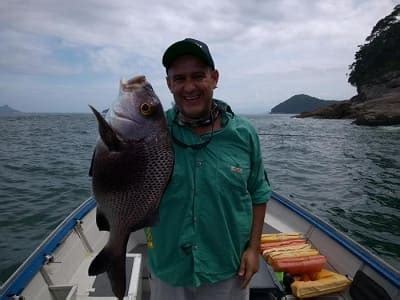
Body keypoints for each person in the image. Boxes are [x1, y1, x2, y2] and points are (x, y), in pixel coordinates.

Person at [145, 38, 272, 300]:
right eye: (179, 79)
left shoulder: (244, 134)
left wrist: (253, 249)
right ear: (169, 84)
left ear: (214, 78)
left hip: (228, 268)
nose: (189, 87)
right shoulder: (150, 132)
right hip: (169, 267)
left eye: (198, 76)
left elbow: (258, 193)